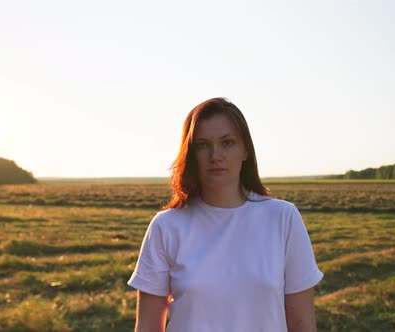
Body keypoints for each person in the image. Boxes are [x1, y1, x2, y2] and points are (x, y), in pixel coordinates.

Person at [127, 97, 323, 331]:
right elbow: (147, 326)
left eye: (227, 142)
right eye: (202, 145)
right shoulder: (166, 226)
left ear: (245, 150)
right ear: (190, 154)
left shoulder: (283, 218)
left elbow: (302, 324)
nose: (215, 156)